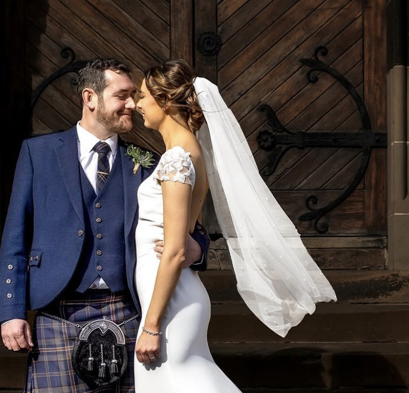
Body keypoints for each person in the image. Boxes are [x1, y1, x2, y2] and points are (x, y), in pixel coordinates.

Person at [0, 58, 209, 393]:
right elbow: (15, 236)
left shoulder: (148, 161)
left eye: (135, 96)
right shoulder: (39, 153)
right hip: (57, 311)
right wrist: (11, 310)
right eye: (122, 95)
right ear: (90, 98)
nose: (133, 104)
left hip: (127, 312)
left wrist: (197, 248)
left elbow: (184, 225)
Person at [133, 60, 336, 392]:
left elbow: (173, 250)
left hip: (170, 301)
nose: (138, 104)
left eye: (143, 96)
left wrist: (152, 325)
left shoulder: (176, 159)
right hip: (172, 296)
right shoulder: (189, 153)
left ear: (166, 100)